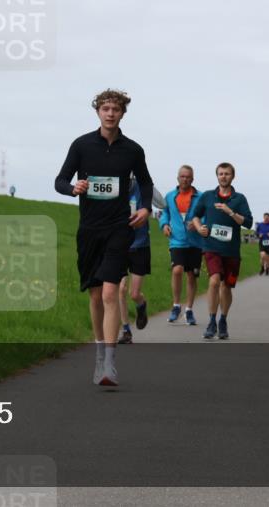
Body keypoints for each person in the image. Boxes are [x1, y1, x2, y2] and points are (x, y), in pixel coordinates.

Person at [55, 89, 153, 385]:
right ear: (98, 111)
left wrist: (146, 208)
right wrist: (74, 188)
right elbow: (60, 180)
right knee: (96, 295)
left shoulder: (133, 150)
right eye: (106, 108)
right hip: (89, 230)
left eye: (116, 109)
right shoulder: (82, 145)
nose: (110, 113)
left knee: (111, 293)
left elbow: (146, 182)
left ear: (123, 113)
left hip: (119, 228)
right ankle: (99, 353)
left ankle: (110, 364)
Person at [191, 163, 253, 340]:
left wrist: (231, 212)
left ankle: (223, 320)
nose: (223, 176)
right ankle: (211, 321)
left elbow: (248, 222)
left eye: (227, 174)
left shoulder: (239, 199)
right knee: (214, 281)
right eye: (220, 174)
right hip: (211, 248)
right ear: (216, 176)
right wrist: (199, 227)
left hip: (232, 251)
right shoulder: (208, 196)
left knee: (226, 286)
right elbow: (195, 215)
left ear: (233, 176)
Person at [159, 165, 203, 325]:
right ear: (178, 178)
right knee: (177, 270)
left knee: (191, 275)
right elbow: (165, 213)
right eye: (182, 176)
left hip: (195, 242)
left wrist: (198, 224)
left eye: (188, 177)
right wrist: (164, 225)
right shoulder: (170, 196)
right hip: (177, 240)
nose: (185, 179)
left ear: (192, 179)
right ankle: (176, 305)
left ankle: (189, 310)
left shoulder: (200, 196)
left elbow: (206, 215)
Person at [118, 175, 152, 343]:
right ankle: (126, 331)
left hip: (140, 245)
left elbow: (163, 204)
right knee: (121, 289)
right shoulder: (113, 184)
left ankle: (141, 305)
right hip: (119, 245)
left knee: (134, 293)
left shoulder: (142, 185)